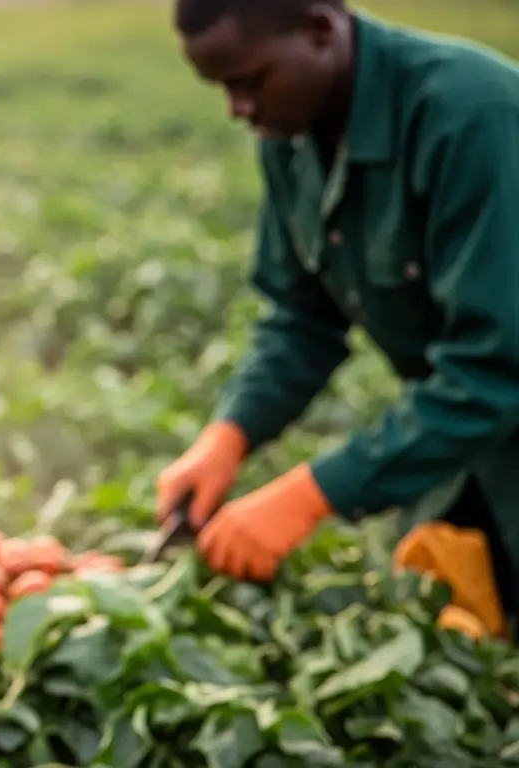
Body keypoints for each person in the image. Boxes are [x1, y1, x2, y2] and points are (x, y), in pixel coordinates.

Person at [160, 0, 519, 641]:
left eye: (250, 81)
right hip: (467, 449)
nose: (238, 110)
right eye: (222, 89)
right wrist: (231, 432)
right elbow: (302, 316)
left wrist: (311, 495)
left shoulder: (472, 115)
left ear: (320, 31)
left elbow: (497, 365)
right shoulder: (292, 132)